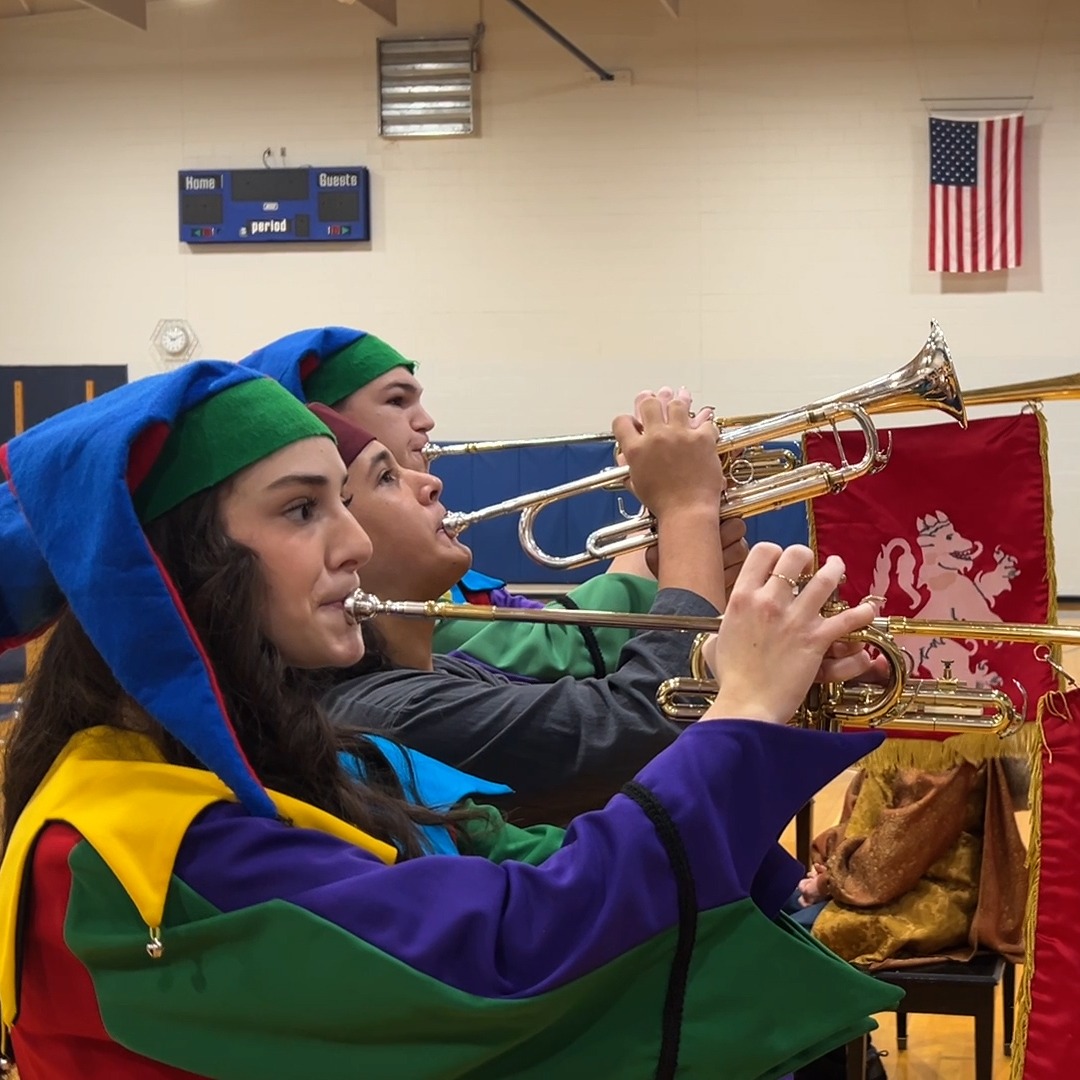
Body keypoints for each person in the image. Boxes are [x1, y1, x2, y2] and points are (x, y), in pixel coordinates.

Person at [0, 360, 902, 1077]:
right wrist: (738, 716)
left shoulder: (245, 760)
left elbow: (492, 855)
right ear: (172, 566)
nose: (352, 541)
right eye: (303, 509)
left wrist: (766, 723)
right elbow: (509, 952)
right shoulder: (138, 851)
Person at [309, 402, 881, 826]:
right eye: (386, 476)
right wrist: (687, 510)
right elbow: (649, 722)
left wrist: (773, 663)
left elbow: (613, 703)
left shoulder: (446, 673)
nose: (431, 482)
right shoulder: (380, 710)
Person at [240, 326, 749, 680]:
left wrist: (675, 534)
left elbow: (546, 623)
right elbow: (565, 657)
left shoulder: (439, 569)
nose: (427, 422)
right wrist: (683, 510)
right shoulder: (375, 596)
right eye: (397, 401)